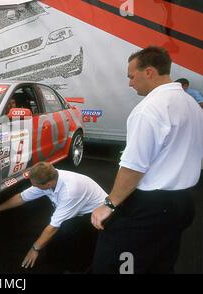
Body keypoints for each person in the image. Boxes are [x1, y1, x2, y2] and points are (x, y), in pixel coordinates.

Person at [91, 46, 203, 273]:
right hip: (183, 204)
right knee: (160, 263)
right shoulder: (191, 104)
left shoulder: (150, 109)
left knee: (113, 263)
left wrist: (109, 205)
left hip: (150, 208)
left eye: (132, 76)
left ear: (149, 72)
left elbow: (134, 167)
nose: (130, 83)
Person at [0, 162, 107, 272]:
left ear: (47, 185)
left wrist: (35, 249)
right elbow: (21, 198)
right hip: (79, 209)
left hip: (99, 216)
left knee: (68, 233)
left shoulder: (69, 192)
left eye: (36, 185)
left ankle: (80, 264)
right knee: (56, 237)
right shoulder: (50, 179)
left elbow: (53, 227)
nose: (34, 187)